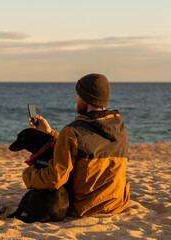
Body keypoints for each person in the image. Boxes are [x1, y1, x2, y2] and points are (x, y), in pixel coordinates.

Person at [23, 73, 130, 217]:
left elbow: (55, 179)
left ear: (86, 99)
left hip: (86, 208)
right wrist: (49, 133)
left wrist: (28, 175)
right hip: (116, 204)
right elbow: (91, 144)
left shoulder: (72, 132)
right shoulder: (119, 128)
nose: (76, 98)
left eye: (78, 95)